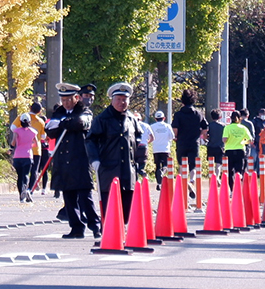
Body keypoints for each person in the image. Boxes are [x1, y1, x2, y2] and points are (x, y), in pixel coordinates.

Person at [48, 83, 98, 238]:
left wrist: (65, 123)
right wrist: (65, 123)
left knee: (85, 196)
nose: (66, 103)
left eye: (69, 99)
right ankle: (76, 228)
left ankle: (96, 226)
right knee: (68, 196)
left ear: (76, 98)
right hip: (63, 160)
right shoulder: (59, 112)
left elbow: (82, 123)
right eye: (63, 100)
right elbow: (50, 130)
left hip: (80, 159)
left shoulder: (84, 110)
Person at [85, 82, 139, 224]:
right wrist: (94, 159)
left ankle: (124, 233)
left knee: (127, 210)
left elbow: (138, 139)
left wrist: (140, 161)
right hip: (109, 170)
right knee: (110, 210)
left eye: (124, 99)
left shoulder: (131, 119)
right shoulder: (102, 119)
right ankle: (107, 234)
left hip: (128, 171)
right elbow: (90, 140)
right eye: (118, 99)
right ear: (112, 100)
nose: (122, 102)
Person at [171, 90, 206, 178]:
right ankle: (192, 180)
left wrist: (175, 137)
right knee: (193, 165)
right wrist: (199, 134)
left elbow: (175, 128)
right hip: (194, 142)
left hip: (181, 142)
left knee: (182, 164)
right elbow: (205, 127)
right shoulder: (198, 114)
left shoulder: (178, 114)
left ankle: (182, 182)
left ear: (182, 101)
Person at [11, 113, 37, 202]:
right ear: (29, 121)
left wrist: (12, 148)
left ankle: (21, 196)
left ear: (21, 121)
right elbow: (36, 143)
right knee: (26, 175)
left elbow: (13, 142)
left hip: (17, 156)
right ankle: (25, 190)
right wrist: (29, 145)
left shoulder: (16, 131)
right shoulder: (33, 132)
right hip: (28, 156)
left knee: (20, 176)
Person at [149, 110, 174, 189]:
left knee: (157, 166)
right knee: (165, 165)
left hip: (156, 149)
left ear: (155, 118)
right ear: (164, 118)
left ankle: (159, 183)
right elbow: (172, 137)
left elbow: (150, 137)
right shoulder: (167, 126)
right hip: (165, 149)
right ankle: (162, 172)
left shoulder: (152, 126)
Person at [206, 108, 225, 174]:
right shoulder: (223, 126)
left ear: (211, 116)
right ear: (220, 117)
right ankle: (216, 177)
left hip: (211, 146)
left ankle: (211, 176)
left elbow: (206, 135)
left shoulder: (209, 125)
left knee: (211, 164)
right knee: (218, 164)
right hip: (220, 147)